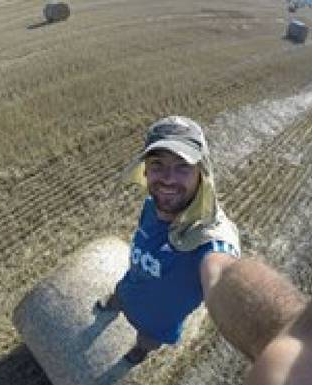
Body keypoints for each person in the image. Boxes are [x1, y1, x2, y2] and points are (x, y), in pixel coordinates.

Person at [95, 116, 241, 364]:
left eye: (182, 166)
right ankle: (111, 305)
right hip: (128, 290)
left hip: (156, 325)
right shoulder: (151, 206)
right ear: (145, 170)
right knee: (117, 297)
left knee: (146, 343)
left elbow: (222, 271)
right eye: (157, 165)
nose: (167, 179)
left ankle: (137, 353)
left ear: (202, 172)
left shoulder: (211, 241)